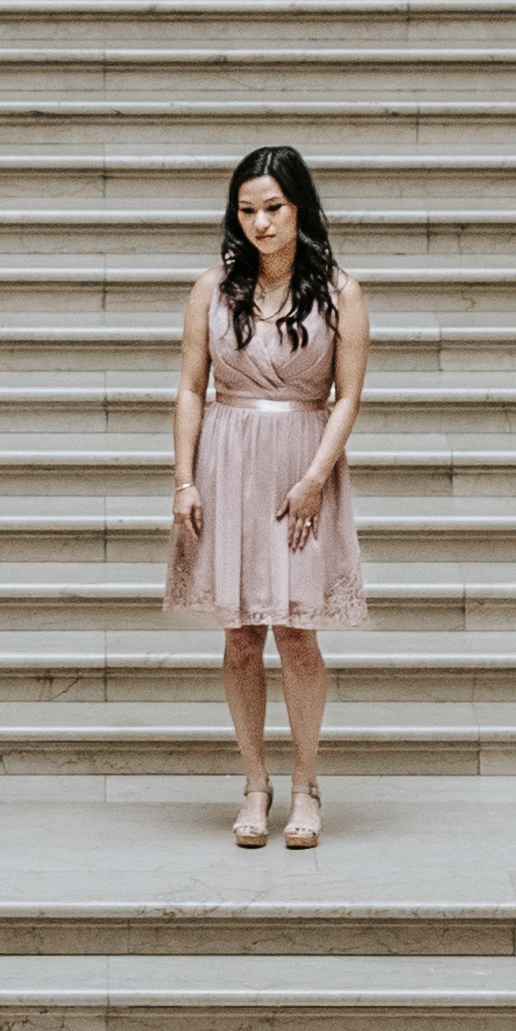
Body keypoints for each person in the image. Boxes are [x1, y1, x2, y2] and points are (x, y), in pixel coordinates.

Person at [167, 133, 369, 849]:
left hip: (300, 462)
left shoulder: (341, 291)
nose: (260, 222)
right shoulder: (211, 290)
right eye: (247, 209)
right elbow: (191, 389)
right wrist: (184, 478)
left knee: (297, 632)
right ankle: (255, 783)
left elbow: (347, 397)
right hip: (227, 460)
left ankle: (306, 786)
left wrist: (315, 477)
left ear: (298, 207)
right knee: (240, 634)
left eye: (274, 206)